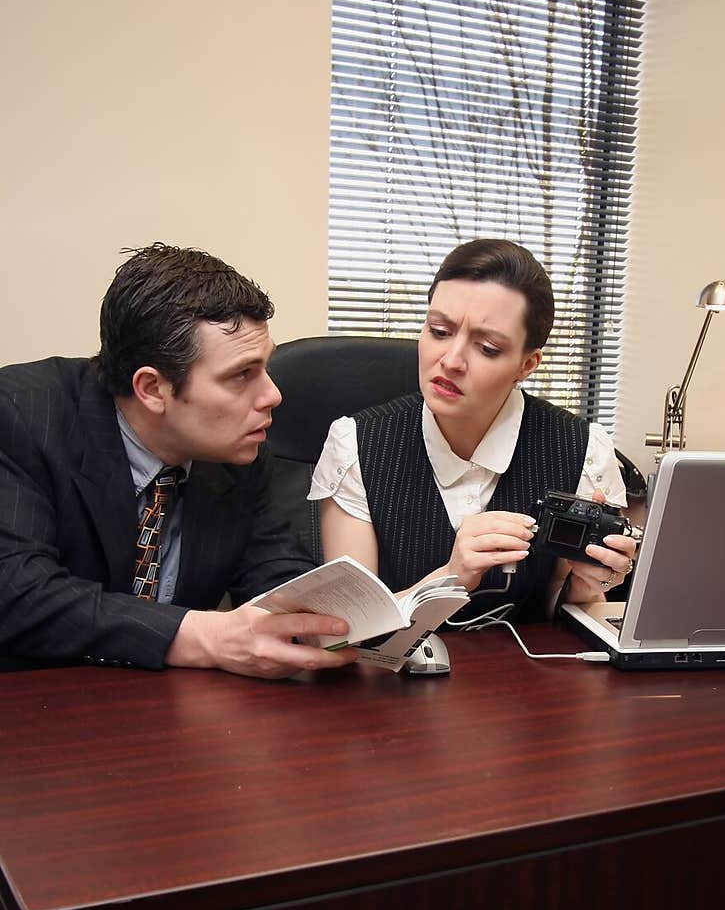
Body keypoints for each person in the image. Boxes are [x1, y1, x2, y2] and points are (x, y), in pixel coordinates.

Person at [0, 244, 357, 677]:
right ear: (152, 388)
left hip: (176, 717)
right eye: (241, 375)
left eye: (265, 367)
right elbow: (19, 594)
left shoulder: (239, 452)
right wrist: (201, 636)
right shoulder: (20, 419)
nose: (273, 395)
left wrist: (332, 621)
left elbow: (275, 575)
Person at [308, 239, 637, 618]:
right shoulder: (357, 445)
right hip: (390, 675)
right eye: (439, 331)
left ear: (526, 365)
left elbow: (564, 616)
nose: (450, 361)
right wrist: (450, 578)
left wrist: (587, 583)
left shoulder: (583, 452)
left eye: (487, 348)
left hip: (526, 675)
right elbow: (347, 626)